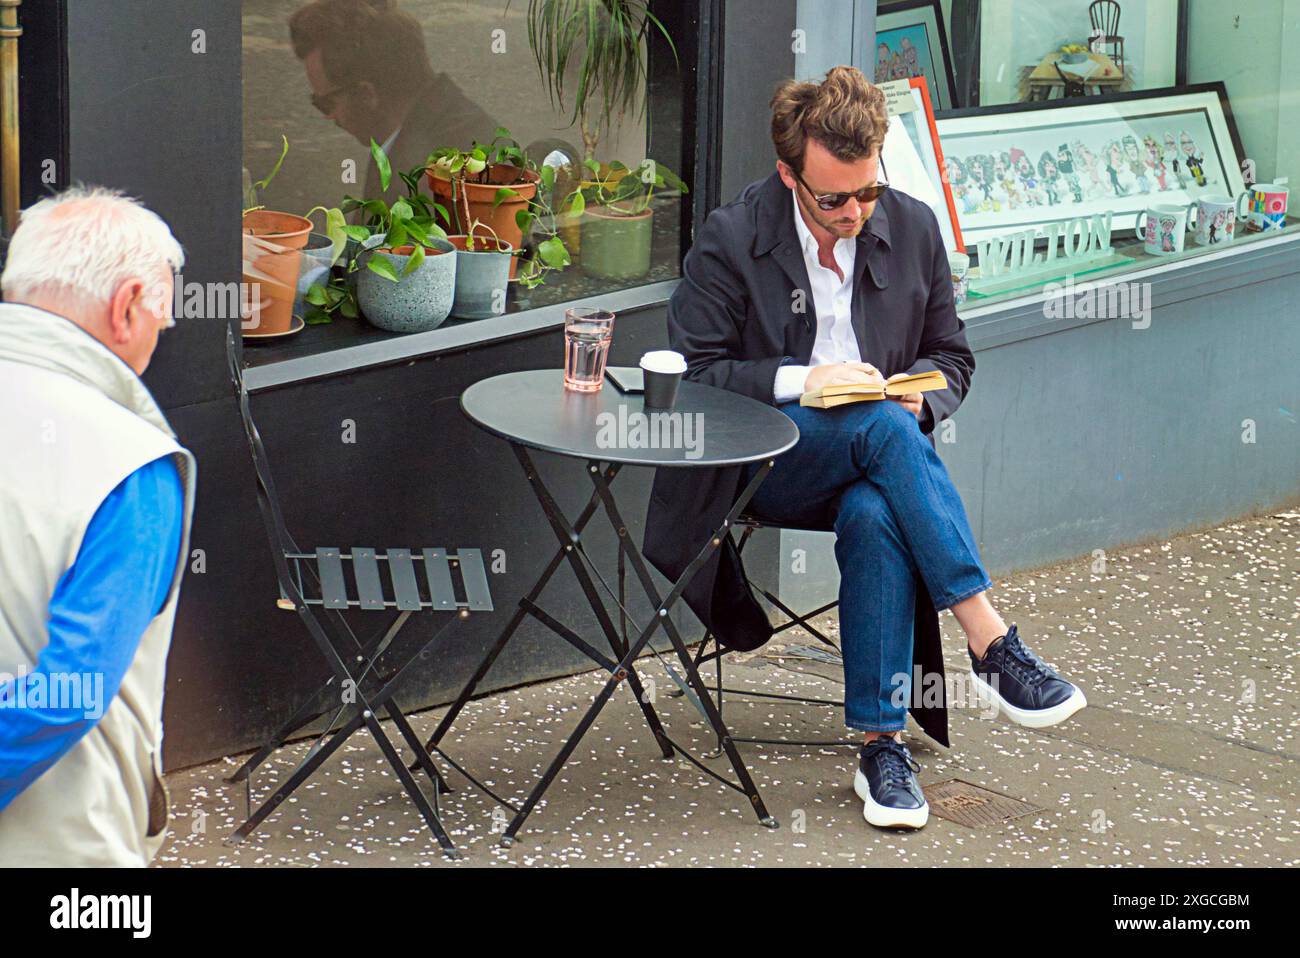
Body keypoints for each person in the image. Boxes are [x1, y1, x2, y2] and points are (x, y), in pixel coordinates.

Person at [643, 66, 1086, 831]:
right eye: (834, 198)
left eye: (867, 191)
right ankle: (991, 641)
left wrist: (927, 392)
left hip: (872, 461)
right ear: (790, 176)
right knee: (883, 432)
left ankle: (881, 746)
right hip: (759, 465)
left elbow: (954, 355)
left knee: (879, 505)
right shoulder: (731, 237)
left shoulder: (909, 227)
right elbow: (698, 378)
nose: (854, 211)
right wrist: (800, 382)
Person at [0, 186, 196, 865]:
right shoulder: (131, 467)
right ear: (126, 306)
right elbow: (70, 691)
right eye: (160, 323)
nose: (154, 344)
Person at [289, 0, 500, 203]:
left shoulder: (426, 182)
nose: (329, 116)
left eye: (326, 104)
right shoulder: (420, 132)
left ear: (366, 94)